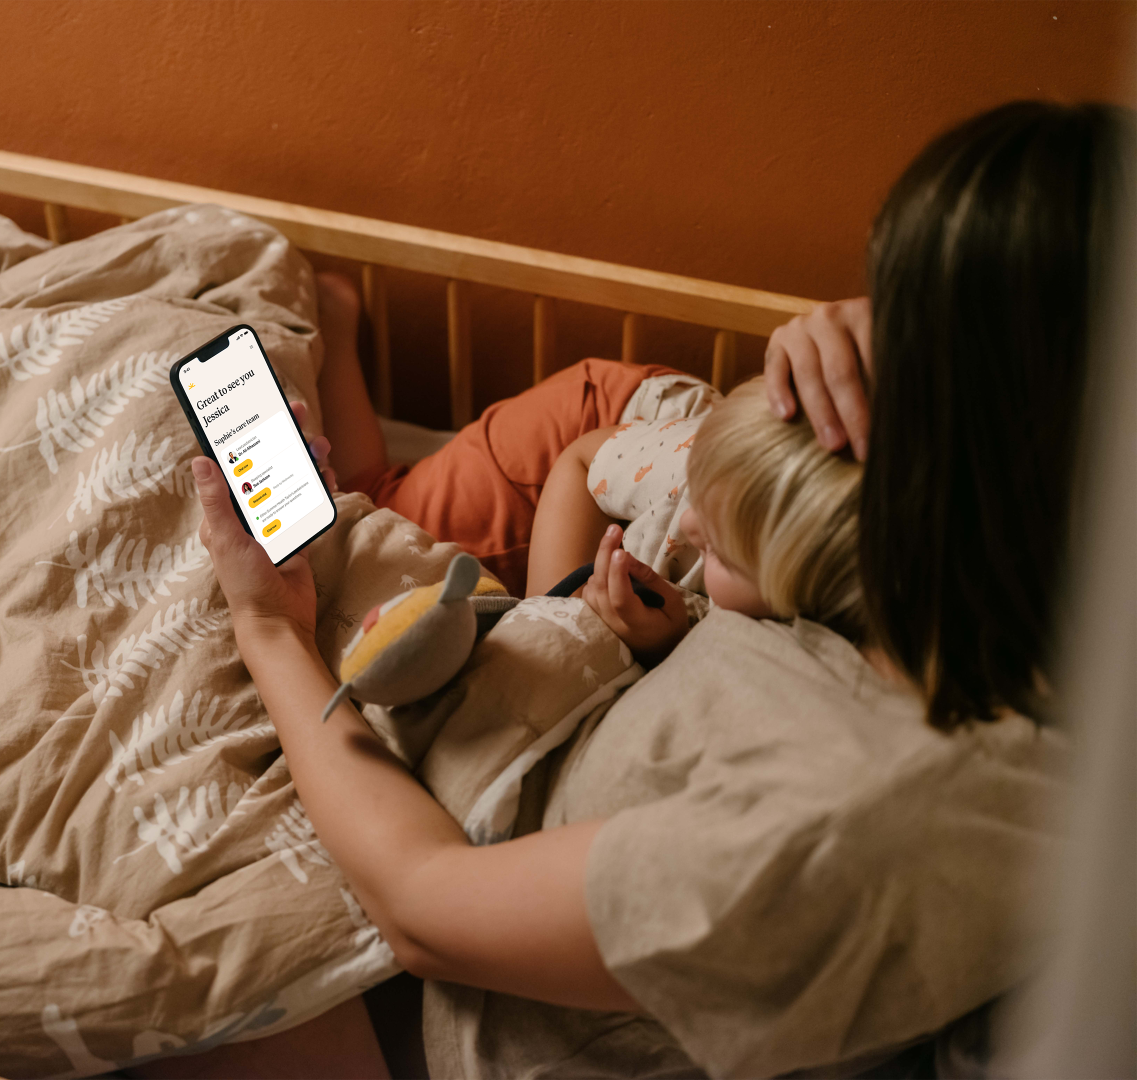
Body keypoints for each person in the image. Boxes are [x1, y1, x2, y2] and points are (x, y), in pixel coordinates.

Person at [143, 101, 1124, 1080]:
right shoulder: (946, 601)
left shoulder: (866, 830)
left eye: (903, 329)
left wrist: (268, 624)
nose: (845, 342)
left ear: (981, 439)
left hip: (399, 1000)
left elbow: (424, 910)